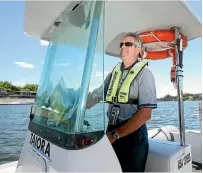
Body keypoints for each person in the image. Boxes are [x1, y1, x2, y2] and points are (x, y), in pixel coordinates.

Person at [103, 32, 157, 172]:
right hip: (111, 131)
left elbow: (146, 114)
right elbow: (96, 96)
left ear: (138, 50)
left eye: (128, 44)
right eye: (122, 44)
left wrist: (115, 135)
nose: (123, 46)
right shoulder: (113, 75)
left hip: (133, 138)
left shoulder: (145, 74)